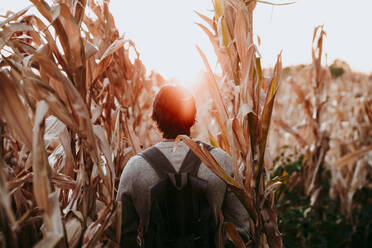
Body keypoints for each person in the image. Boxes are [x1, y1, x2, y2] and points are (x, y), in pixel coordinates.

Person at [117, 85, 249, 247]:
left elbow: (121, 235)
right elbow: (241, 231)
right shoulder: (220, 162)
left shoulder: (135, 168)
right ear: (193, 117)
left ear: (156, 119)